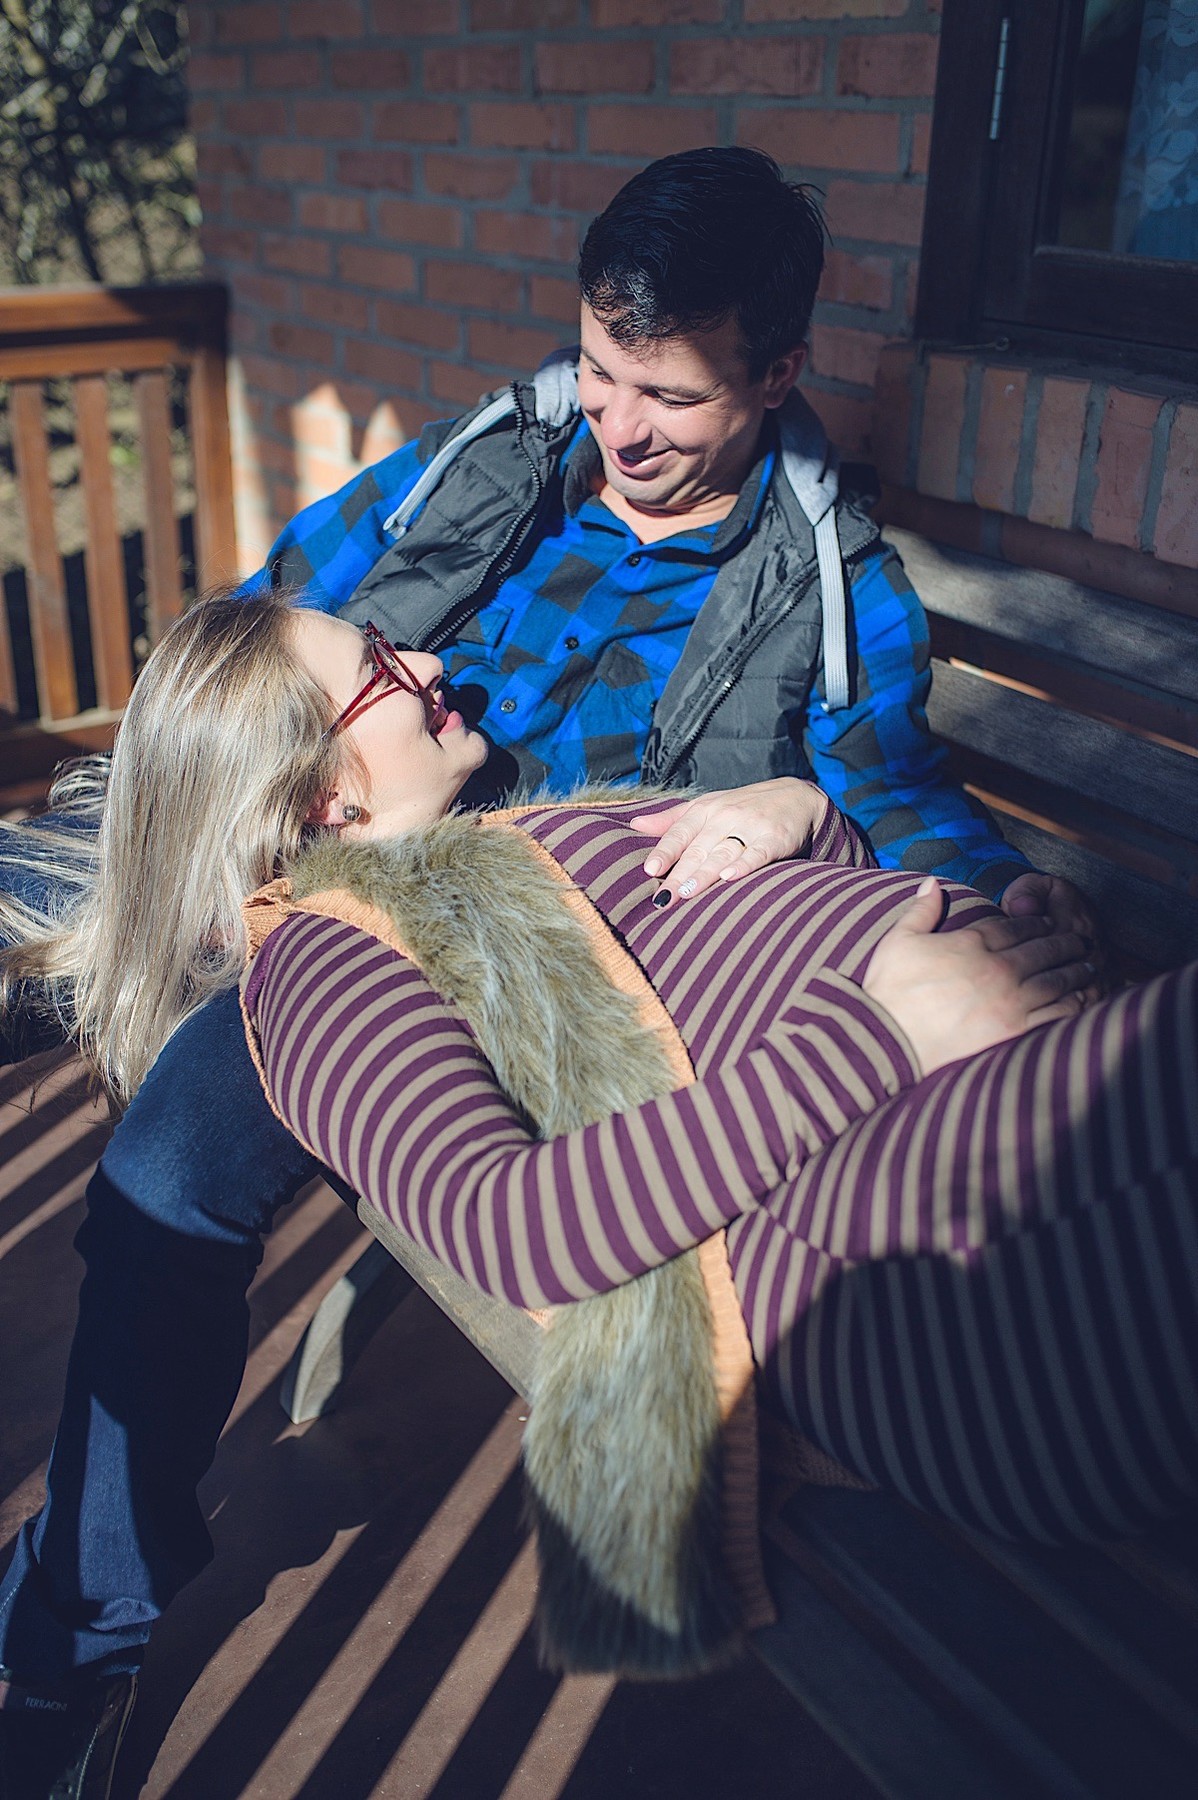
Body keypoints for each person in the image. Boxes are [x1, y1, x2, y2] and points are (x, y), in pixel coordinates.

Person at [1, 597, 1190, 1797]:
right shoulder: (326, 956)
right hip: (918, 1217)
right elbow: (513, 1225)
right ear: (323, 798)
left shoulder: (522, 828)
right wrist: (885, 1027)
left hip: (1013, 1148)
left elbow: (731, 948)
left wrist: (812, 825)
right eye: (378, 668)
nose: (425, 658)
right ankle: (73, 1640)